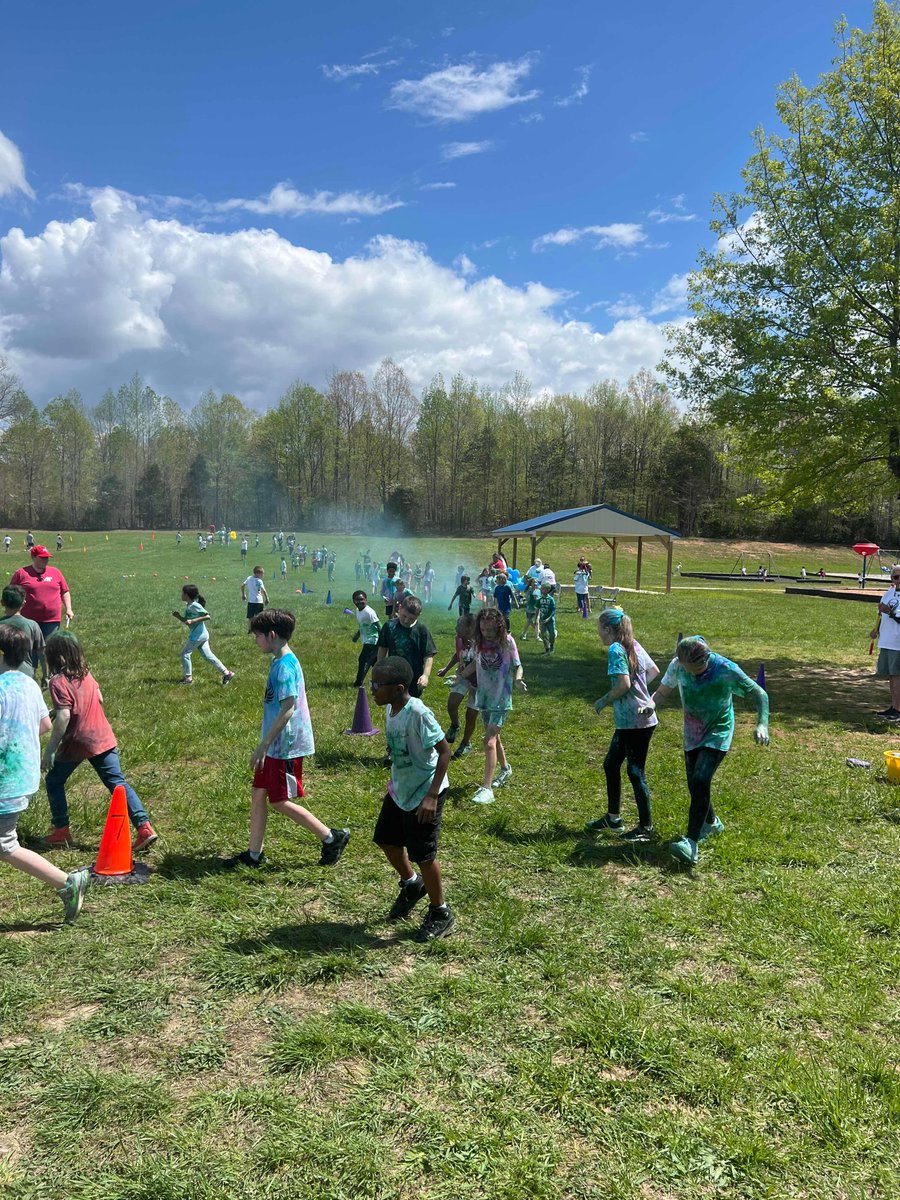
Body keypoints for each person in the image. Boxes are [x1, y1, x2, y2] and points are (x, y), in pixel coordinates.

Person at [224, 609, 350, 868]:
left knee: (279, 800)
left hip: (284, 746)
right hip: (275, 744)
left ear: (271, 635)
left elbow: (288, 707)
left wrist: (264, 744)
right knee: (259, 793)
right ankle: (254, 855)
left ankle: (330, 837)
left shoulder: (284, 667)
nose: (256, 641)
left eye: (257, 636)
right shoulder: (281, 660)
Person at [651, 635, 769, 866]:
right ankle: (712, 823)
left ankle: (691, 844)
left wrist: (762, 723)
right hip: (692, 732)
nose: (691, 673)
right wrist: (650, 704)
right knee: (695, 785)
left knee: (701, 778)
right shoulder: (678, 665)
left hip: (718, 731)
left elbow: (760, 693)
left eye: (695, 668)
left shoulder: (725, 669)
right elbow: (663, 691)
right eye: (687, 668)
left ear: (704, 660)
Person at [0, 625, 90, 922]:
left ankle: (67, 883)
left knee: (6, 844)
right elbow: (44, 726)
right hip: (22, 777)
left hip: (5, 780)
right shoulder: (28, 685)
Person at [41, 632, 158, 852]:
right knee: (118, 785)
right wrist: (63, 709)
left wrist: (50, 751)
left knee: (54, 781)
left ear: (54, 657)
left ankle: (61, 831)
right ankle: (144, 828)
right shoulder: (86, 674)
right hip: (103, 736)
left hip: (78, 741)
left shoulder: (57, 682)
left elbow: (65, 717)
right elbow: (99, 698)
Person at [370, 656, 455, 941]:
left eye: (377, 685)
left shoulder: (417, 712)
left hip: (425, 791)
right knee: (386, 839)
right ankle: (411, 884)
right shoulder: (391, 708)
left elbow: (445, 752)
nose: (373, 690)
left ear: (397, 688)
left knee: (423, 854)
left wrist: (431, 796)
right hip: (401, 789)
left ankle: (440, 911)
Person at [585, 610, 660, 842]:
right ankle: (613, 818)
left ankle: (646, 828)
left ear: (608, 629)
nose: (599, 633)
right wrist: (642, 691)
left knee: (635, 771)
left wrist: (604, 700)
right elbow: (653, 671)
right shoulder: (632, 644)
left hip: (634, 721)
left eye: (599, 629)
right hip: (636, 718)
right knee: (611, 764)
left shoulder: (616, 649)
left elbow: (623, 685)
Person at [456, 607, 525, 805]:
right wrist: (460, 676)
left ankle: (486, 789)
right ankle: (505, 769)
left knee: (488, 741)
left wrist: (519, 680)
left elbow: (517, 665)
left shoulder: (507, 642)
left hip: (501, 698)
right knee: (494, 738)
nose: (486, 633)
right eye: (483, 629)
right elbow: (475, 665)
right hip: (483, 697)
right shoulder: (479, 643)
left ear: (499, 626)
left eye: (490, 630)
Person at [172, 584, 234, 686]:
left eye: (182, 593)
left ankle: (188, 679)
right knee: (208, 656)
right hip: (202, 635)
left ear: (186, 595)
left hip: (197, 636)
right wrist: (178, 616)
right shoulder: (189, 606)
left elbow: (207, 616)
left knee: (185, 654)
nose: (181, 594)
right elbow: (188, 621)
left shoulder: (195, 605)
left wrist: (193, 620)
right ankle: (227, 673)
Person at [10, 546, 74, 645]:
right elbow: (12, 593)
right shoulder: (21, 574)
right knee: (29, 650)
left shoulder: (55, 572)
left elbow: (65, 591)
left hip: (52, 620)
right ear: (33, 557)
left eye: (47, 557)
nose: (46, 560)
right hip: (29, 620)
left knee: (49, 650)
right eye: (42, 558)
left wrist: (69, 609)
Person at [376, 595, 436, 699]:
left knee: (410, 706)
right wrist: (379, 668)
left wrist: (425, 675)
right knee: (393, 705)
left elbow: (428, 655)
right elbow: (382, 648)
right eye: (404, 616)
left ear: (418, 615)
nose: (407, 620)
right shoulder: (389, 626)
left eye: (412, 619)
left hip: (414, 678)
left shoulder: (421, 630)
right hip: (393, 675)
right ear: (399, 608)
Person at [436, 613, 479, 756]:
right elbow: (457, 654)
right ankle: (455, 725)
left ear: (469, 628)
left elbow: (481, 664)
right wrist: (446, 669)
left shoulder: (480, 642)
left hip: (479, 684)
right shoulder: (460, 639)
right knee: (452, 704)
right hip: (463, 677)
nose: (456, 627)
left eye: (459, 624)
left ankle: (465, 743)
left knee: (470, 715)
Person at [871, 564, 900, 721]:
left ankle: (898, 710)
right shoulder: (888, 592)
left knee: (898, 676)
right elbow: (881, 614)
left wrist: (890, 611)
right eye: (896, 577)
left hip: (898, 642)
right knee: (891, 676)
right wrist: (876, 629)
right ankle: (894, 707)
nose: (899, 580)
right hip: (887, 641)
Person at [0, 584, 45, 680]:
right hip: (25, 673)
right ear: (23, 603)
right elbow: (41, 652)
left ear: (2, 602)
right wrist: (46, 674)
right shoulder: (32, 625)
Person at [351, 590, 381, 688]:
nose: (359, 602)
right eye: (357, 600)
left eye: (362, 599)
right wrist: (357, 635)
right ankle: (382, 681)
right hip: (367, 640)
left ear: (366, 600)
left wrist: (383, 640)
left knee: (363, 660)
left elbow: (378, 626)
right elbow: (363, 625)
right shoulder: (358, 611)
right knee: (375, 663)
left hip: (373, 640)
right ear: (353, 601)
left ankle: (358, 683)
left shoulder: (369, 612)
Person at [538, 581, 557, 654]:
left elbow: (553, 611)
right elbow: (537, 609)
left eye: (543, 589)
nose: (541, 590)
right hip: (542, 619)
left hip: (550, 620)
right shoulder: (540, 599)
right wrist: (537, 618)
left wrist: (548, 618)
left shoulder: (551, 599)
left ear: (547, 590)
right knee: (543, 634)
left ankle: (551, 645)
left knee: (552, 633)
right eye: (541, 589)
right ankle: (547, 648)